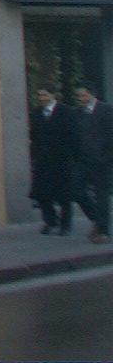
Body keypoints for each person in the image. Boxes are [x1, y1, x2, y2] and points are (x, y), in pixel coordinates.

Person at [28, 84, 76, 236]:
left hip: (61, 159)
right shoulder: (36, 113)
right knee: (42, 194)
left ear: (53, 95)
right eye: (40, 95)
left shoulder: (65, 111)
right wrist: (35, 154)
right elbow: (34, 135)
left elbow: (71, 135)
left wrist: (71, 155)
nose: (42, 98)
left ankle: (65, 225)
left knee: (64, 195)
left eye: (45, 95)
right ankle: (50, 221)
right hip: (43, 159)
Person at [72, 81, 112, 244]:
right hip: (84, 160)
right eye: (78, 96)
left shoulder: (106, 110)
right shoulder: (78, 112)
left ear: (91, 94)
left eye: (83, 95)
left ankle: (103, 231)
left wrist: (107, 156)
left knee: (102, 196)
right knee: (76, 190)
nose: (80, 98)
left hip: (102, 161)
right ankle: (96, 218)